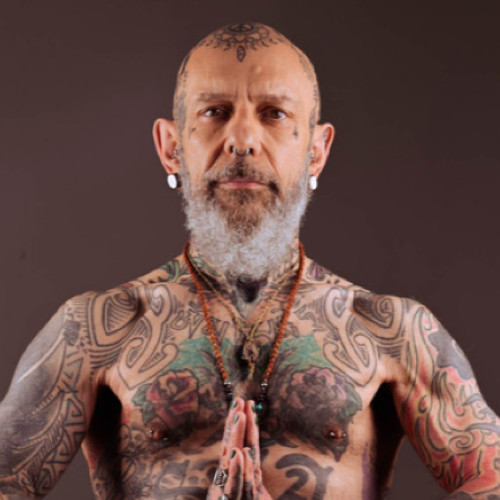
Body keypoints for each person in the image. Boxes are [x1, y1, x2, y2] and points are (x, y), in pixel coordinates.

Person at [0, 22, 499, 500]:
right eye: (215, 111)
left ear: (317, 151)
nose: (242, 140)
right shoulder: (95, 329)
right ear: (172, 147)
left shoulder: (392, 330)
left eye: (274, 114)